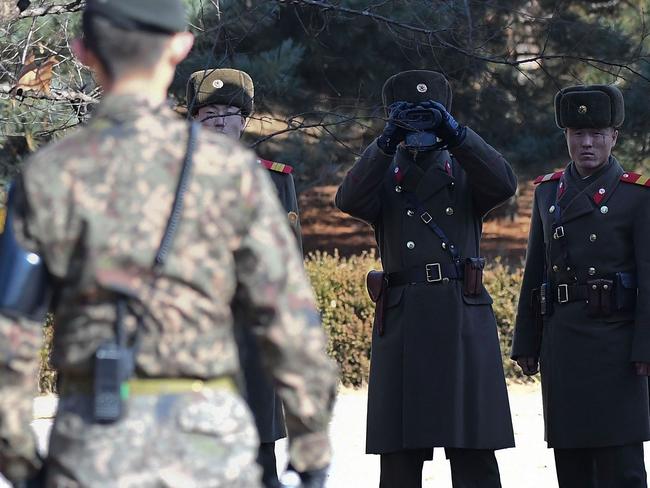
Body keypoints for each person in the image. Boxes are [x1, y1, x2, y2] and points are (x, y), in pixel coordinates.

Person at [0, 0, 336, 486]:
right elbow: (287, 315)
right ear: (180, 48)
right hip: (208, 443)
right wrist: (311, 455)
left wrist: (19, 458)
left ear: (82, 50)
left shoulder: (48, 175)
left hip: (94, 439)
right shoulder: (232, 175)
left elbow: (11, 327)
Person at [335, 70, 516, 488]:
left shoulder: (464, 169)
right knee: (399, 460)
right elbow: (348, 199)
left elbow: (504, 183)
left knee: (474, 455)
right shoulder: (384, 171)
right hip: (404, 321)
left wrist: (455, 134)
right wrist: (385, 141)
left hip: (460, 318)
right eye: (410, 117)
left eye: (428, 115)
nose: (421, 129)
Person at [512, 84, 650, 488]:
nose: (586, 143)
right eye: (577, 134)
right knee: (571, 464)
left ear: (614, 137)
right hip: (564, 343)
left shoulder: (637, 196)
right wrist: (527, 341)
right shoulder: (547, 192)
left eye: (596, 134)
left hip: (617, 346)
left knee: (621, 466)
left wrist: (646, 349)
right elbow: (534, 270)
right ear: (566, 137)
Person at [186, 68, 302, 488]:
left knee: (258, 450)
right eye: (209, 112)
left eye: (229, 112)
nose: (219, 121)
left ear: (244, 120)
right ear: (193, 120)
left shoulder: (274, 179)